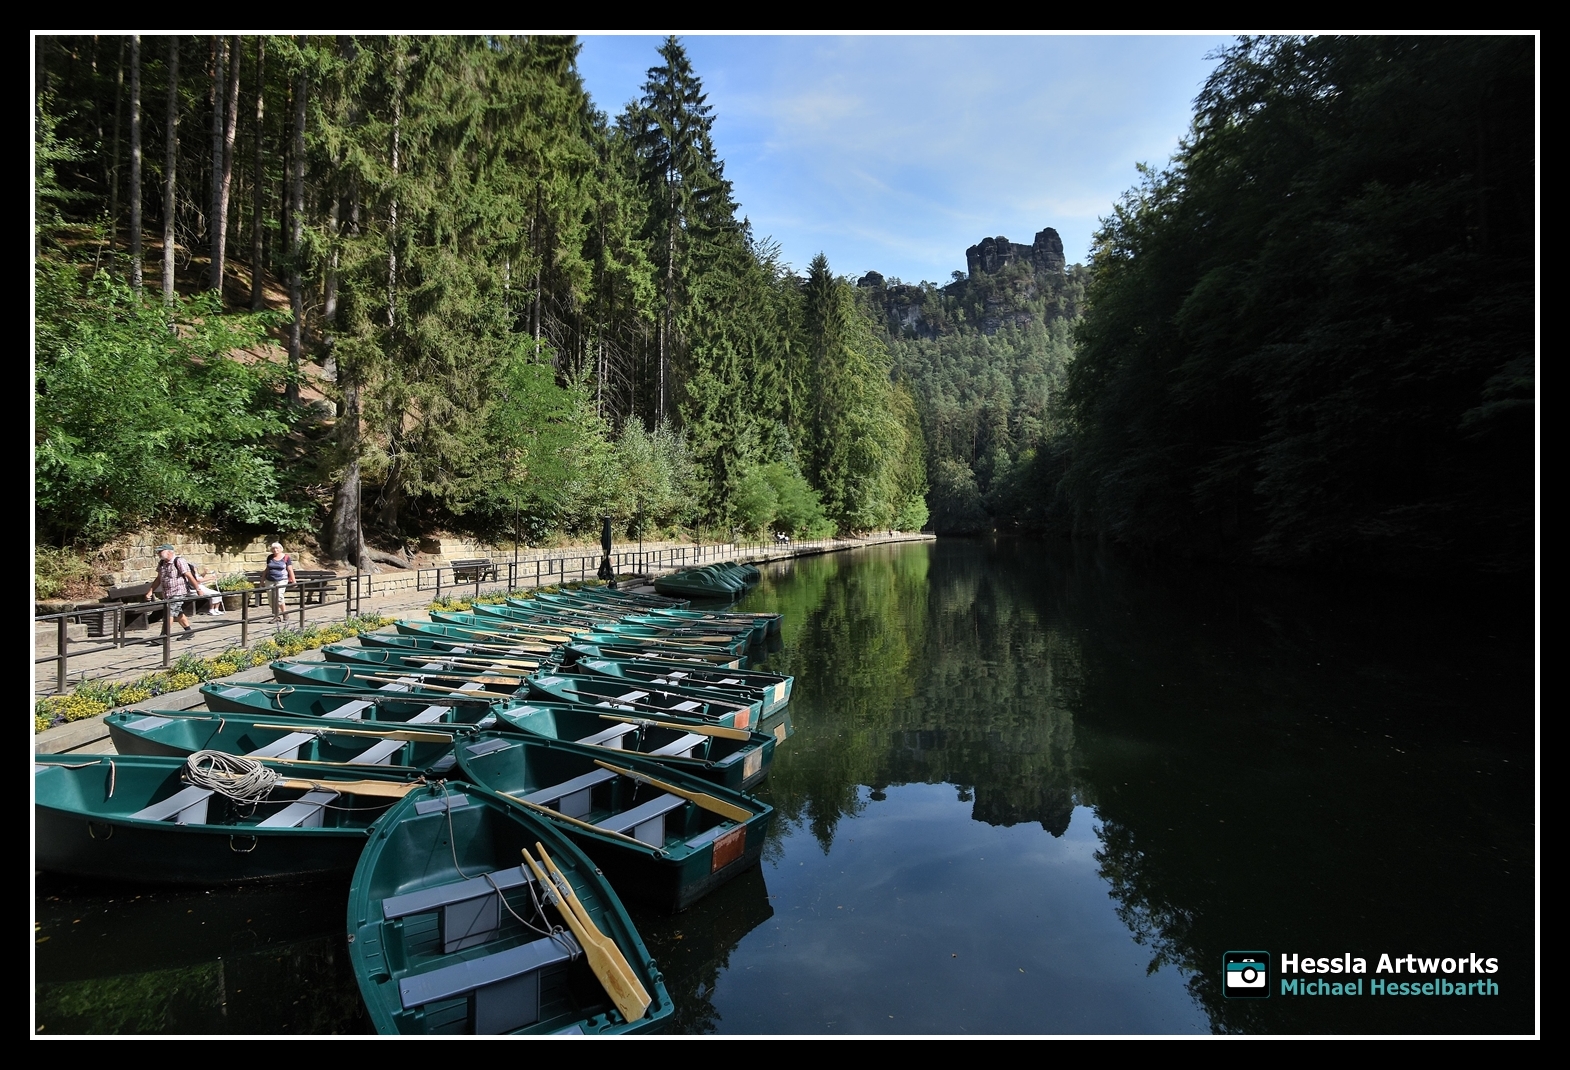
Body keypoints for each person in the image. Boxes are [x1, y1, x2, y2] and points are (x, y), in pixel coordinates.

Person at [144, 544, 199, 639]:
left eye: (160, 551)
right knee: (177, 612)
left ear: (169, 552)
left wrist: (198, 589)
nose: (158, 553)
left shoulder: (179, 561)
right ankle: (189, 631)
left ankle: (164, 636)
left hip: (178, 592)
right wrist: (150, 591)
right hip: (167, 593)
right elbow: (158, 579)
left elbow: (189, 576)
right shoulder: (162, 563)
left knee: (169, 613)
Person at [263, 541, 296, 623]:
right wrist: (262, 579)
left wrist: (294, 581)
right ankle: (276, 616)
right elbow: (267, 569)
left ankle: (284, 613)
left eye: (276, 548)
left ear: (281, 549)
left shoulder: (286, 558)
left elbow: (290, 569)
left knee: (279, 596)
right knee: (271, 599)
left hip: (282, 579)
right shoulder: (270, 557)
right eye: (273, 548)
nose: (275, 550)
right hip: (269, 580)